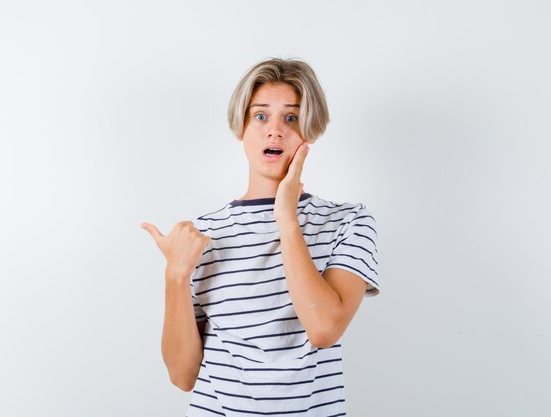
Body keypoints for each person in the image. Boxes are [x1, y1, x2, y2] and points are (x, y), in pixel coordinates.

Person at [141, 57, 380, 417]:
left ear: (310, 130)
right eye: (260, 116)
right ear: (241, 127)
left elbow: (324, 329)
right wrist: (176, 274)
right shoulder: (204, 234)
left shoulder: (348, 222)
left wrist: (285, 215)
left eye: (291, 117)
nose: (275, 131)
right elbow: (182, 375)